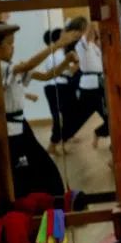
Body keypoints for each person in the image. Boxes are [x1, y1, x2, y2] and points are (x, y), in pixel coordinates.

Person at [0, 22, 79, 199]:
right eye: (8, 43)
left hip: (22, 126)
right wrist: (56, 45)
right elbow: (26, 67)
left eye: (13, 43)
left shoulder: (12, 68)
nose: (13, 47)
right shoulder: (0, 68)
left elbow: (45, 76)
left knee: (44, 165)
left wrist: (66, 61)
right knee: (23, 171)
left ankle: (55, 202)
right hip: (9, 130)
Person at [33, 27, 79, 156]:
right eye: (65, 35)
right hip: (58, 87)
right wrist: (79, 64)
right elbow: (69, 71)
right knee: (62, 117)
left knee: (61, 116)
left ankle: (57, 143)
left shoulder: (56, 54)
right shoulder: (58, 54)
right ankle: (54, 144)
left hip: (54, 86)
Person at [71, 18, 110, 148]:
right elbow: (87, 36)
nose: (94, 31)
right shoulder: (81, 44)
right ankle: (59, 139)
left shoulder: (95, 46)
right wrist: (92, 25)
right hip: (89, 87)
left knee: (109, 116)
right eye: (92, 29)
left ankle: (100, 133)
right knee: (79, 117)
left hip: (100, 84)